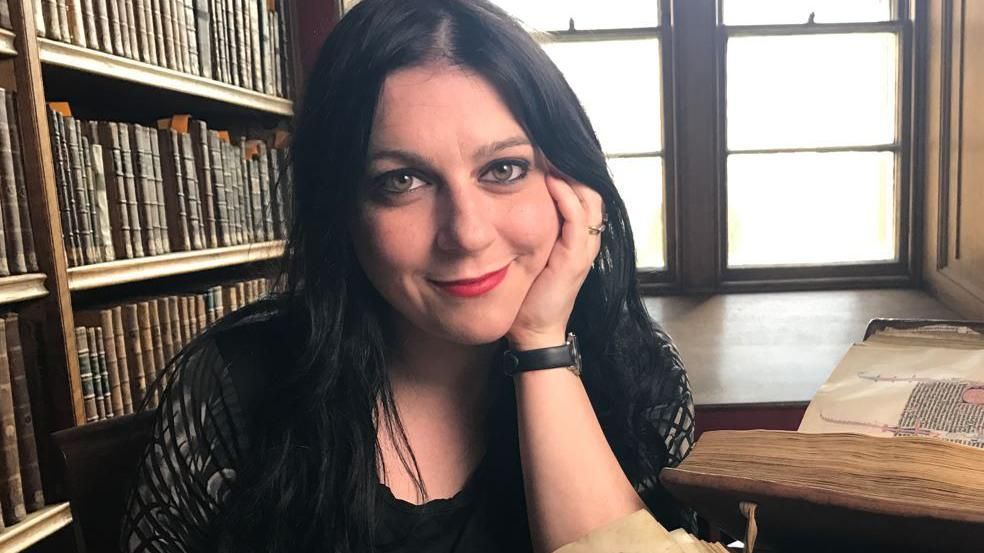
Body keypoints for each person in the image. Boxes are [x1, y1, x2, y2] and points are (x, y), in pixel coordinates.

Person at [119, 0, 697, 551]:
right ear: (342, 209)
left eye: (504, 169)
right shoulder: (238, 385)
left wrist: (541, 347)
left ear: (573, 189)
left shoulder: (638, 378)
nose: (466, 233)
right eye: (402, 181)